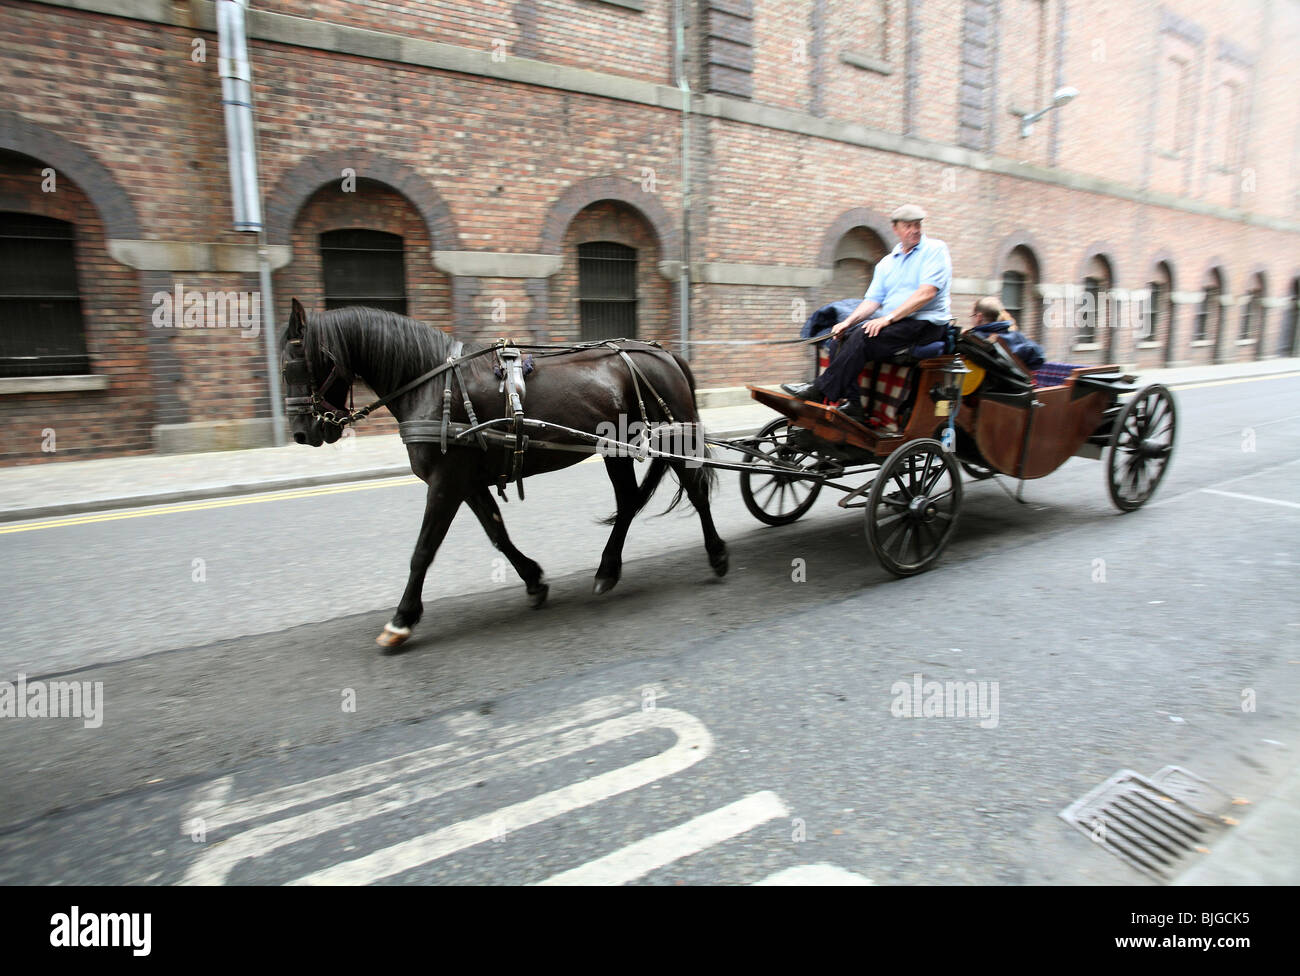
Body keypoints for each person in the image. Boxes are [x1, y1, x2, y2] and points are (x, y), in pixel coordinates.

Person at [784, 204, 952, 421]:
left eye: (917, 225)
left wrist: (887, 319)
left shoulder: (935, 250)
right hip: (897, 324)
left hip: (926, 325)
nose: (915, 230)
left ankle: (819, 390)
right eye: (908, 226)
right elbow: (872, 301)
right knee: (839, 340)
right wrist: (847, 322)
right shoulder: (887, 263)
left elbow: (926, 293)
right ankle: (853, 405)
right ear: (896, 229)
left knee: (864, 335)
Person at [965, 295, 1045, 370]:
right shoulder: (1017, 336)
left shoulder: (974, 339)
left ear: (979, 317)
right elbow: (1038, 359)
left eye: (973, 316)